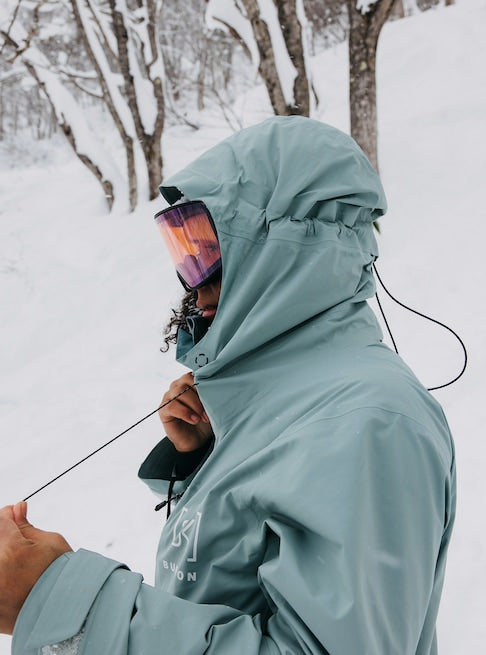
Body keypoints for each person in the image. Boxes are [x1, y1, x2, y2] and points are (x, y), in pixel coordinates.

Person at [0, 116, 455, 654]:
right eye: (184, 251)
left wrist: (61, 604)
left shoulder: (368, 421)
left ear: (288, 250)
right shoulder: (291, 400)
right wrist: (205, 454)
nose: (194, 281)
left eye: (211, 251)